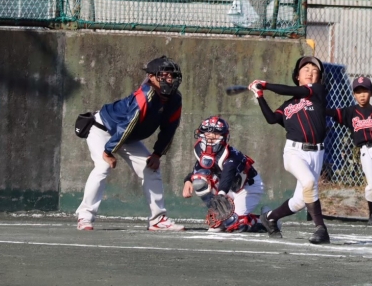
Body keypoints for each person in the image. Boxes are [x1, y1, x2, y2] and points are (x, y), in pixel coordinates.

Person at [76, 56, 185, 231]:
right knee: (103, 167)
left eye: (172, 75)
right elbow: (128, 125)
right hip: (102, 129)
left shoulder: (175, 99)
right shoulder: (145, 96)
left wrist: (157, 154)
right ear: (151, 77)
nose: (169, 79)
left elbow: (169, 128)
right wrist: (108, 151)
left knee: (151, 168)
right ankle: (84, 217)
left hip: (125, 136)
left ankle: (158, 220)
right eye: (164, 75)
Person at [249, 56, 330, 245]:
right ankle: (321, 228)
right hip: (294, 152)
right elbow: (271, 118)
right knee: (309, 182)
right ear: (297, 76)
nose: (310, 72)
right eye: (306, 69)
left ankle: (270, 217)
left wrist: (266, 85)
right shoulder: (288, 106)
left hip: (317, 153)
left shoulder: (317, 91)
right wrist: (259, 96)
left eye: (315, 70)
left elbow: (294, 90)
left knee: (300, 201)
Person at [326, 76, 372, 227]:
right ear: (354, 94)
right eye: (358, 92)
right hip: (365, 149)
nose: (362, 95)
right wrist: (318, 108)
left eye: (365, 91)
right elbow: (333, 113)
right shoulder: (350, 112)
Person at [181, 115, 265, 233]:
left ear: (224, 136)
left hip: (247, 188)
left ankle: (265, 219)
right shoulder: (201, 150)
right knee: (199, 180)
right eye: (207, 132)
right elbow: (201, 167)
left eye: (215, 133)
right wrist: (188, 180)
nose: (210, 136)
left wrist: (221, 194)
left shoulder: (231, 156)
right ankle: (219, 213)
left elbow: (227, 175)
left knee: (235, 224)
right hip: (228, 188)